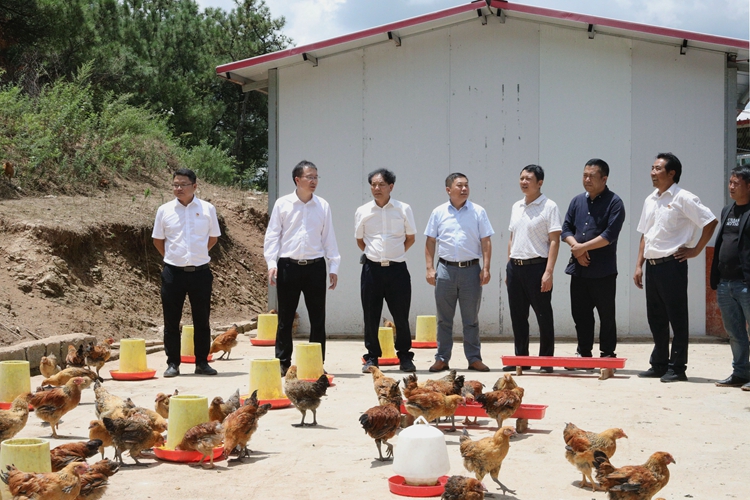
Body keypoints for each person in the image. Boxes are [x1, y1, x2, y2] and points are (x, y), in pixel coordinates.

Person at [633, 152, 718, 383]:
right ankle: (659, 364)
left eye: (658, 168)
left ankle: (678, 367)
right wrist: (639, 265)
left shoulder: (684, 198)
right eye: (652, 167)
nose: (652, 172)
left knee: (677, 318)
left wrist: (697, 249)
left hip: (673, 264)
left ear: (672, 173)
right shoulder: (650, 199)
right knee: (656, 318)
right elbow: (645, 234)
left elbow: (710, 221)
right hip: (652, 266)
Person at [264, 160, 341, 376]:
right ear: (297, 180)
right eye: (310, 177)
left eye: (316, 177)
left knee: (318, 318)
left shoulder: (323, 205)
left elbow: (329, 238)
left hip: (315, 267)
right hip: (288, 266)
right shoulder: (283, 204)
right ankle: (283, 361)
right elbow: (272, 236)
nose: (314, 181)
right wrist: (271, 263)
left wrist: (333, 265)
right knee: (286, 317)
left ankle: (315, 363)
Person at [152, 168, 221, 377]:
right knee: (171, 320)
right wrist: (173, 258)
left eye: (183, 184)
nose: (178, 188)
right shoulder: (164, 210)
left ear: (194, 186)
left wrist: (197, 255)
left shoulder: (207, 209)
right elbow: (158, 240)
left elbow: (213, 238)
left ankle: (202, 362)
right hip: (173, 273)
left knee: (202, 319)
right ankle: (173, 363)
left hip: (200, 273)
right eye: (175, 184)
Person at [425, 172, 494, 372]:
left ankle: (473, 358)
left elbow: (486, 241)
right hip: (445, 269)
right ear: (448, 190)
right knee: (443, 319)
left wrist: (486, 267)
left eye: (466, 185)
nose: (464, 189)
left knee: (470, 319)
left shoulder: (478, 212)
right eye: (459, 185)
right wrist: (430, 268)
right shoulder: (438, 212)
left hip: (471, 270)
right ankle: (442, 358)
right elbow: (430, 241)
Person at [561, 159, 625, 362]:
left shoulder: (615, 203)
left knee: (606, 315)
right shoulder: (577, 201)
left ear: (604, 178)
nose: (586, 179)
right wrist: (576, 249)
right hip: (579, 270)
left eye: (592, 176)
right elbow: (566, 229)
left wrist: (583, 248)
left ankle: (607, 353)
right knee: (580, 314)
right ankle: (584, 352)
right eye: (584, 175)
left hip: (603, 271)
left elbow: (609, 235)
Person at [355, 169, 417, 373]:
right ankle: (372, 357)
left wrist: (394, 254)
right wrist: (376, 255)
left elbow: (410, 238)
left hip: (397, 271)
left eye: (381, 184)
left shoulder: (403, 209)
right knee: (370, 316)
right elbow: (360, 240)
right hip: (371, 270)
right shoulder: (363, 211)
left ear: (391, 186)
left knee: (401, 316)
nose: (376, 188)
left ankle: (405, 357)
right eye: (373, 184)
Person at [505, 165, 561, 373]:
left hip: (537, 267)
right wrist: (508, 265)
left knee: (543, 315)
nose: (524, 182)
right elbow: (512, 237)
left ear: (540, 182)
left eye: (528, 179)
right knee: (518, 316)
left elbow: (555, 241)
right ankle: (521, 358)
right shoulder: (516, 206)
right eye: (521, 178)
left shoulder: (549, 206)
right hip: (516, 267)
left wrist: (549, 272)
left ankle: (546, 359)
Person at [710, 165, 750, 390]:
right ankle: (740, 372)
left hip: (746, 283)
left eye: (737, 183)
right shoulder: (728, 211)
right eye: (730, 182)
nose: (731, 187)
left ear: (749, 186)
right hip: (725, 283)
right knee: (734, 332)